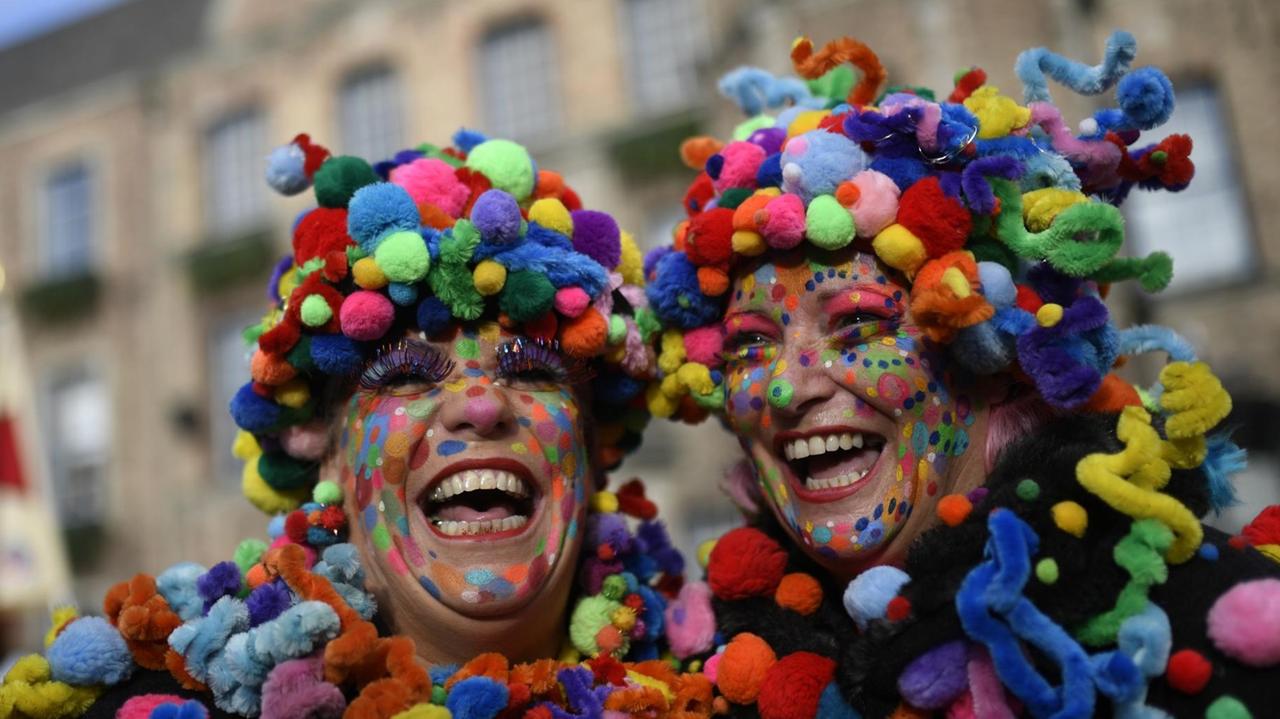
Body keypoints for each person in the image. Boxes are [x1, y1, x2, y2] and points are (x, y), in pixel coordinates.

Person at [645, 33, 1280, 718]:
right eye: (748, 344)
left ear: (993, 358)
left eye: (859, 326)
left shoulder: (1210, 627)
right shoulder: (701, 684)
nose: (788, 388)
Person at [1, 132, 717, 719]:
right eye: (405, 375)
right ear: (330, 458)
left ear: (590, 452)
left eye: (530, 372)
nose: (481, 404)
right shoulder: (161, 701)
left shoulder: (721, 684)